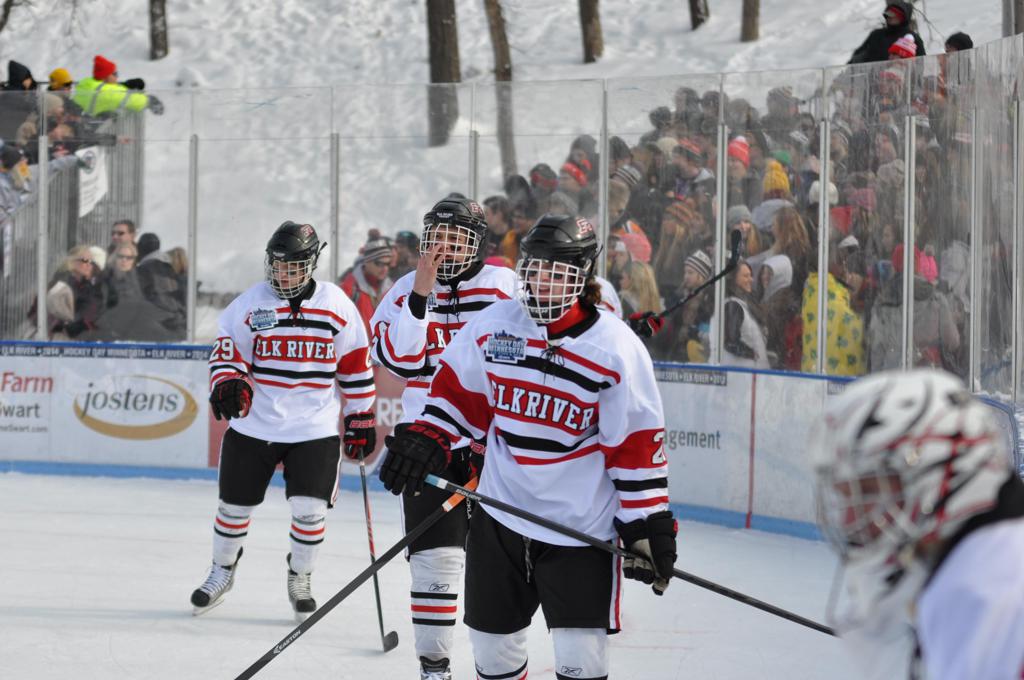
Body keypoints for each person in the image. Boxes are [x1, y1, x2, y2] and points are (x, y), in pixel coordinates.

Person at [379, 213, 676, 680]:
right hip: (501, 518)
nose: (542, 282)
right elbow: (457, 397)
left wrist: (646, 523)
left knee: (581, 661)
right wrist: (428, 438)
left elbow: (635, 449)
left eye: (556, 273)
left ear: (581, 276)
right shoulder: (496, 325)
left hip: (579, 531)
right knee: (492, 654)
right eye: (535, 269)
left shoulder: (614, 348)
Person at [190, 221, 377, 622]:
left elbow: (355, 366)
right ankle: (222, 571)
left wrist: (361, 416)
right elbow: (227, 353)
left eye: (292, 267)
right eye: (277, 266)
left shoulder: (336, 304)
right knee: (233, 508)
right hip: (254, 425)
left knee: (310, 510)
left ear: (310, 265)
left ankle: (301, 576)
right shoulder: (249, 305)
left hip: (314, 428)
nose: (282, 274)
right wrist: (229, 381)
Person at [368, 196, 518, 680]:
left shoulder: (505, 288)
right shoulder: (402, 291)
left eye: (457, 239)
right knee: (436, 564)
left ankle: (498, 666)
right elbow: (400, 363)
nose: (445, 248)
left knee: (499, 567)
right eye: (437, 237)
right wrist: (420, 296)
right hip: (427, 447)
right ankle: (434, 667)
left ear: (478, 245)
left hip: (495, 451)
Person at [813, 368, 1024, 680]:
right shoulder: (972, 563)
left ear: (943, 477)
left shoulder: (990, 595)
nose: (848, 521)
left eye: (868, 491)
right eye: (845, 497)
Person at [71, 55, 163, 117]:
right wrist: (149, 100)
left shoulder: (85, 84)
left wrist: (125, 85)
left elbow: (107, 87)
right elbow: (129, 99)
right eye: (115, 74)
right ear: (106, 76)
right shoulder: (107, 92)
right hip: (100, 135)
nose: (117, 77)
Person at [340, 234, 394, 335]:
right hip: (359, 344)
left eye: (387, 264)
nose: (385, 269)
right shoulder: (349, 289)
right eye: (379, 263)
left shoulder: (392, 289)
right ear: (367, 262)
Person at [848, 2, 924, 65]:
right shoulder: (876, 35)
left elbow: (920, 64)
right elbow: (859, 57)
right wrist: (848, 71)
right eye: (887, 14)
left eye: (893, 14)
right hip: (873, 77)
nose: (889, 17)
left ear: (903, 17)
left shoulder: (913, 38)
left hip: (902, 77)